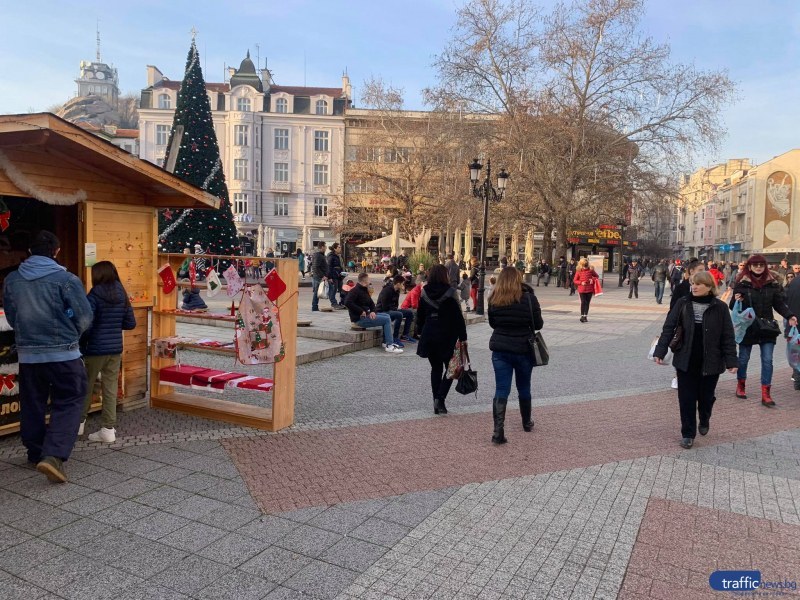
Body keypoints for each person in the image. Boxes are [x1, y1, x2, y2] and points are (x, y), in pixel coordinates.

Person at [3, 231, 93, 483]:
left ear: (30, 252)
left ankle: (35, 452)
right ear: (57, 251)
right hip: (64, 354)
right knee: (70, 400)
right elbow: (84, 318)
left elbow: (12, 317)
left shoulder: (12, 280)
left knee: (32, 403)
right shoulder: (67, 279)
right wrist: (71, 334)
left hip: (29, 356)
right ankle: (53, 456)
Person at [653, 271, 738, 449]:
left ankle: (705, 417)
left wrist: (731, 361)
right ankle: (688, 433)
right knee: (686, 398)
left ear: (709, 287)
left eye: (699, 284)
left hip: (712, 361)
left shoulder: (720, 307)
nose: (695, 287)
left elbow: (728, 336)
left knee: (706, 398)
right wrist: (660, 350)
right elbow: (669, 327)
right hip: (686, 359)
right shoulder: (683, 303)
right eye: (693, 283)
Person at [79, 261, 136, 443]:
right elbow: (130, 323)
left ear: (98, 275)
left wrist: (82, 341)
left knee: (86, 386)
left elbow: (86, 324)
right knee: (110, 388)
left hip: (94, 349)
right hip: (115, 350)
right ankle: (108, 430)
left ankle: (78, 424)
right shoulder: (122, 293)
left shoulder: (94, 295)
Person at [731, 254, 797, 406]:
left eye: (761, 264)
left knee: (767, 360)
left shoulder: (771, 284)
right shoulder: (742, 283)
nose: (759, 267)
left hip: (767, 327)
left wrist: (790, 316)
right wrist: (737, 299)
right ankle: (741, 385)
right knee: (743, 359)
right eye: (755, 265)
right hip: (748, 326)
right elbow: (732, 305)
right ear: (750, 266)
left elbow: (779, 304)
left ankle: (766, 393)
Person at [487, 267, 544, 444]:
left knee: (501, 389)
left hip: (501, 349)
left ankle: (498, 431)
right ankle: (526, 422)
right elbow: (539, 324)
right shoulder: (529, 298)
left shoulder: (494, 299)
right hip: (523, 348)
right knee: (524, 387)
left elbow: (492, 323)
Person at [416, 264, 467, 415]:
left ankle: (435, 402)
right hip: (447, 334)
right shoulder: (451, 292)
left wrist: (420, 332)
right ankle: (440, 399)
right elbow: (458, 318)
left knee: (436, 368)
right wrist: (463, 337)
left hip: (430, 332)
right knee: (451, 369)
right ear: (445, 276)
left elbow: (420, 315)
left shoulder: (424, 292)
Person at [344, 272, 403, 353]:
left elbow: (371, 303)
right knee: (386, 320)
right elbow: (347, 302)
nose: (370, 281)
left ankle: (386, 342)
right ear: (364, 282)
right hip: (359, 319)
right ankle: (389, 345)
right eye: (368, 279)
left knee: (386, 316)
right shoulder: (355, 291)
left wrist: (373, 312)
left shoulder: (364, 290)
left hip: (367, 315)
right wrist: (360, 311)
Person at [376, 274, 416, 346]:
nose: (404, 285)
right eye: (402, 284)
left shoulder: (397, 291)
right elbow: (385, 307)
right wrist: (395, 310)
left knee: (409, 313)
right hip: (382, 311)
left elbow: (396, 305)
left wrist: (395, 310)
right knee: (399, 314)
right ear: (398, 284)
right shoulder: (386, 290)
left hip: (391, 310)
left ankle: (405, 335)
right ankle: (395, 338)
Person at [573, 258, 599, 323]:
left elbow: (597, 276)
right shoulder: (579, 271)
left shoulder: (591, 270)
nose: (585, 266)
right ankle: (582, 316)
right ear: (581, 264)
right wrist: (581, 282)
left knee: (587, 303)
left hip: (589, 289)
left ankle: (585, 316)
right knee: (583, 302)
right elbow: (575, 280)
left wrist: (592, 279)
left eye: (586, 264)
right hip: (581, 289)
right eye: (584, 265)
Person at [310, 242, 329, 312]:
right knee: (317, 292)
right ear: (322, 247)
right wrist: (322, 276)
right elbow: (315, 267)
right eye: (325, 246)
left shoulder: (321, 255)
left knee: (317, 291)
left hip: (319, 276)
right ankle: (314, 306)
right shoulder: (318, 255)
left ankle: (314, 306)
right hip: (318, 276)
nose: (326, 248)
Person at [326, 243, 346, 309]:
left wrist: (343, 272)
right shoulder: (331, 256)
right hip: (334, 276)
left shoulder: (339, 256)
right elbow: (329, 267)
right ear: (335, 248)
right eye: (339, 247)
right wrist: (329, 277)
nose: (340, 248)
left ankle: (342, 302)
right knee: (333, 290)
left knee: (342, 290)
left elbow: (341, 265)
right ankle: (334, 303)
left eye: (340, 247)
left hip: (339, 275)